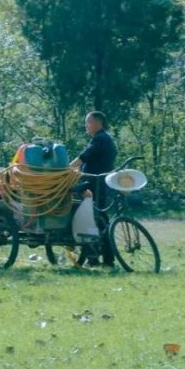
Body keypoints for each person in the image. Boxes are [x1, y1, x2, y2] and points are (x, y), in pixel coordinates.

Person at [70, 111, 117, 266]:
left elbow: (84, 157)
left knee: (94, 219)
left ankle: (101, 258)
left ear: (98, 123)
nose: (86, 126)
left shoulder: (100, 139)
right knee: (98, 220)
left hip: (95, 185)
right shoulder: (105, 138)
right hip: (98, 184)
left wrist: (66, 169)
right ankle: (98, 258)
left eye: (88, 122)